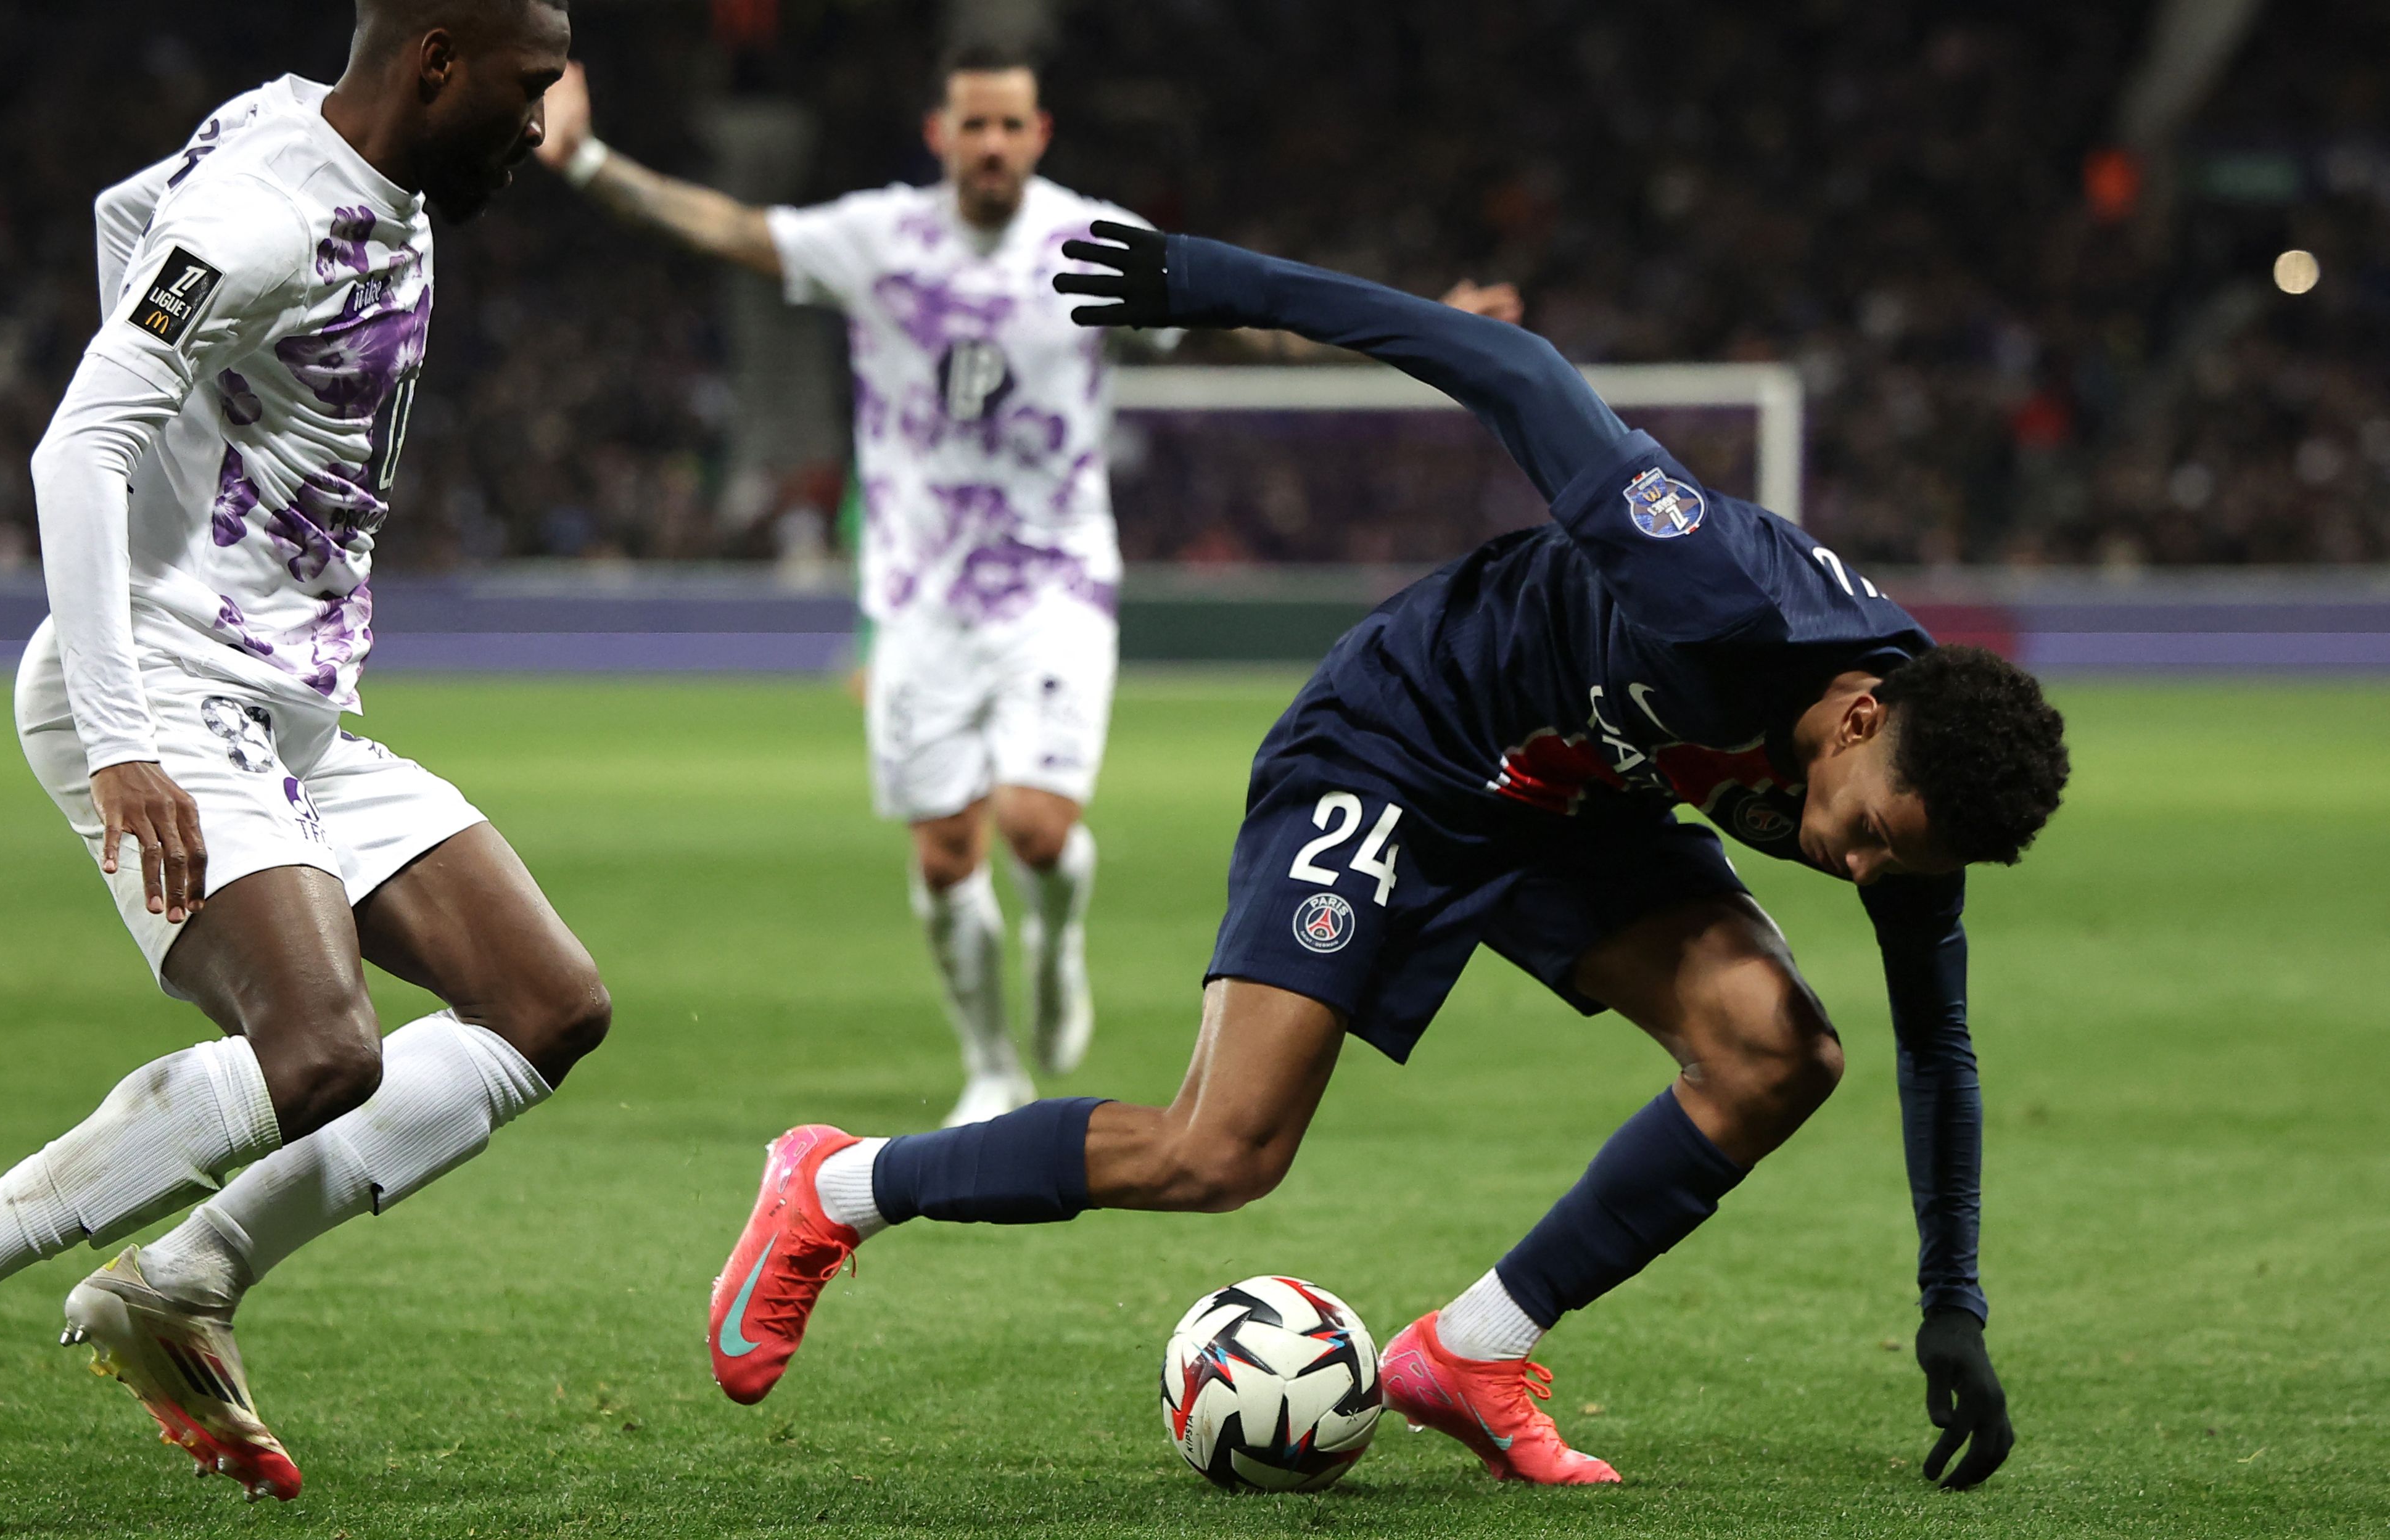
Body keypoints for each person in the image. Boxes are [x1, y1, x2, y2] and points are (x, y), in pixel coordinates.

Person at [703, 224, 2066, 1493]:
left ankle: (1469, 1351)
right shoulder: (1707, 593)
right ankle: (830, 1187)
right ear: (1856, 716)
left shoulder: (1921, 798)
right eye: (1871, 835)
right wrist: (1205, 279)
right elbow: (1509, 364)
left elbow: (1932, 1048)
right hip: (1404, 739)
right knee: (1218, 1151)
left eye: (1896, 862)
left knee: (1778, 1051)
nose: (1866, 871)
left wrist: (1950, 1300)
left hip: (1570, 803)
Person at [0, 1, 591, 1526]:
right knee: (322, 1046)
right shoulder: (267, 208)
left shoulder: (318, 151)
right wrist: (124, 722)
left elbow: (120, 216)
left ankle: (186, 1277)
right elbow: (76, 448)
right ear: (435, 62)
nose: (539, 126)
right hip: (162, 693)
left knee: (547, 1007)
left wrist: (197, 425)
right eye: (528, 89)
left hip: (293, 709)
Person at [538, 47, 1518, 1127]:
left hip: (1052, 579)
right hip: (917, 599)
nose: (992, 145)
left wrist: (1424, 331)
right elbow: (728, 228)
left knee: (1036, 829)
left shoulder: (1086, 242)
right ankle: (991, 1063)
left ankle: (1054, 938)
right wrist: (583, 161)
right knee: (943, 851)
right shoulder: (879, 240)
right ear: (940, 134)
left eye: (1009, 127)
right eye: (974, 126)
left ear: (1038, 134)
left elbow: (1245, 320)